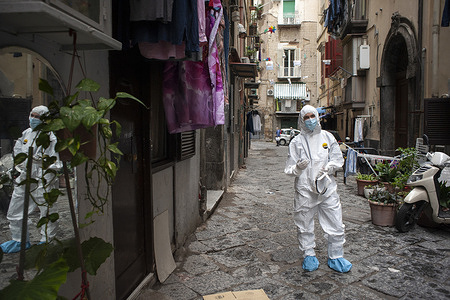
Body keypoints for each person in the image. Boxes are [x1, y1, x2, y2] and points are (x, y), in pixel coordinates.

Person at [284, 105, 352, 273]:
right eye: (306, 117)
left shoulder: (327, 137)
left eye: (312, 116)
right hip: (305, 189)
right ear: (301, 120)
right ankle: (308, 254)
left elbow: (337, 159)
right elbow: (288, 169)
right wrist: (298, 168)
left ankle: (336, 255)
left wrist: (329, 167)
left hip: (326, 188)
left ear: (317, 116)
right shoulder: (296, 142)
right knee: (304, 223)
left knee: (335, 222)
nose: (310, 120)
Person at [0, 105, 60, 254]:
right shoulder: (26, 133)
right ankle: (19, 240)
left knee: (46, 209)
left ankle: (47, 241)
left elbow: (56, 163)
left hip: (43, 178)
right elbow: (18, 151)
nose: (32, 119)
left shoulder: (50, 137)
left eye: (37, 117)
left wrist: (39, 162)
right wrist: (21, 166)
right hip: (25, 175)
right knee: (15, 207)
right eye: (31, 115)